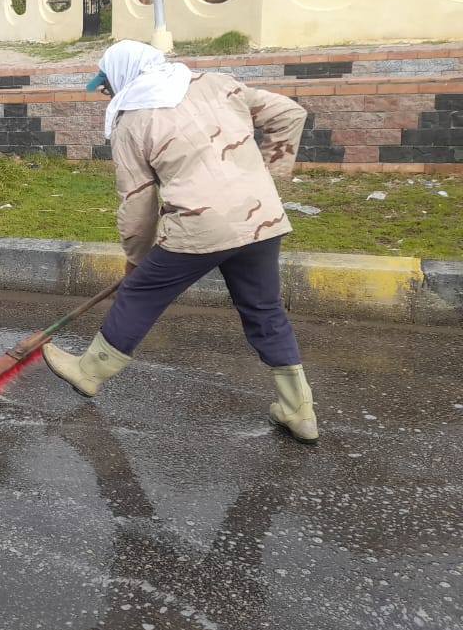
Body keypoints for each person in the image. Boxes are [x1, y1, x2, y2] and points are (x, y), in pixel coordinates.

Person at [41, 40, 319, 444]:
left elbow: (137, 204)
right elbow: (290, 113)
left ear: (123, 75)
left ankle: (88, 373)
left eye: (108, 85)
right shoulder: (218, 84)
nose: (110, 93)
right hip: (261, 218)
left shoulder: (133, 121)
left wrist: (135, 259)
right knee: (264, 309)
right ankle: (299, 410)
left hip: (199, 226)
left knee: (140, 294)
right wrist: (268, 177)